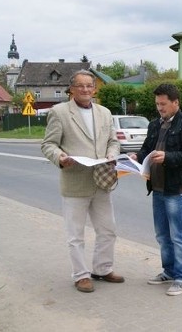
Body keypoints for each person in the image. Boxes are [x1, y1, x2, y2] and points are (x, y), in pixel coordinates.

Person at [41, 69, 125, 293]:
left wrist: (111, 154)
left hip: (102, 181)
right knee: (76, 235)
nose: (86, 89)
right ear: (72, 88)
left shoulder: (105, 112)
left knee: (108, 230)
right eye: (80, 85)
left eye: (89, 85)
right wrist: (60, 157)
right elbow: (48, 144)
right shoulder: (59, 113)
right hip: (75, 181)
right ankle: (81, 276)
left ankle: (102, 268)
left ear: (94, 88)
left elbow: (113, 141)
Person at [132, 83, 182, 296]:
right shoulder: (155, 125)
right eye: (157, 104)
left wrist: (168, 157)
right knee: (162, 234)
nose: (159, 108)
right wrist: (137, 156)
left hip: (177, 188)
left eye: (163, 104)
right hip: (157, 186)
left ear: (175, 103)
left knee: (178, 234)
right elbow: (146, 148)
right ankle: (169, 271)